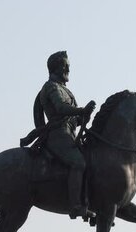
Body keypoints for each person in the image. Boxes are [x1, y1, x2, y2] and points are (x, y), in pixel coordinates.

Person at [35, 51, 96, 219]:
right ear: (56, 67)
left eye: (68, 65)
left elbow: (75, 120)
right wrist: (81, 110)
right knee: (78, 163)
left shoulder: (66, 90)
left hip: (69, 133)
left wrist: (85, 116)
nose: (68, 68)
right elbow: (61, 109)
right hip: (57, 134)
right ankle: (75, 205)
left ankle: (88, 202)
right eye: (65, 65)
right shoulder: (51, 87)